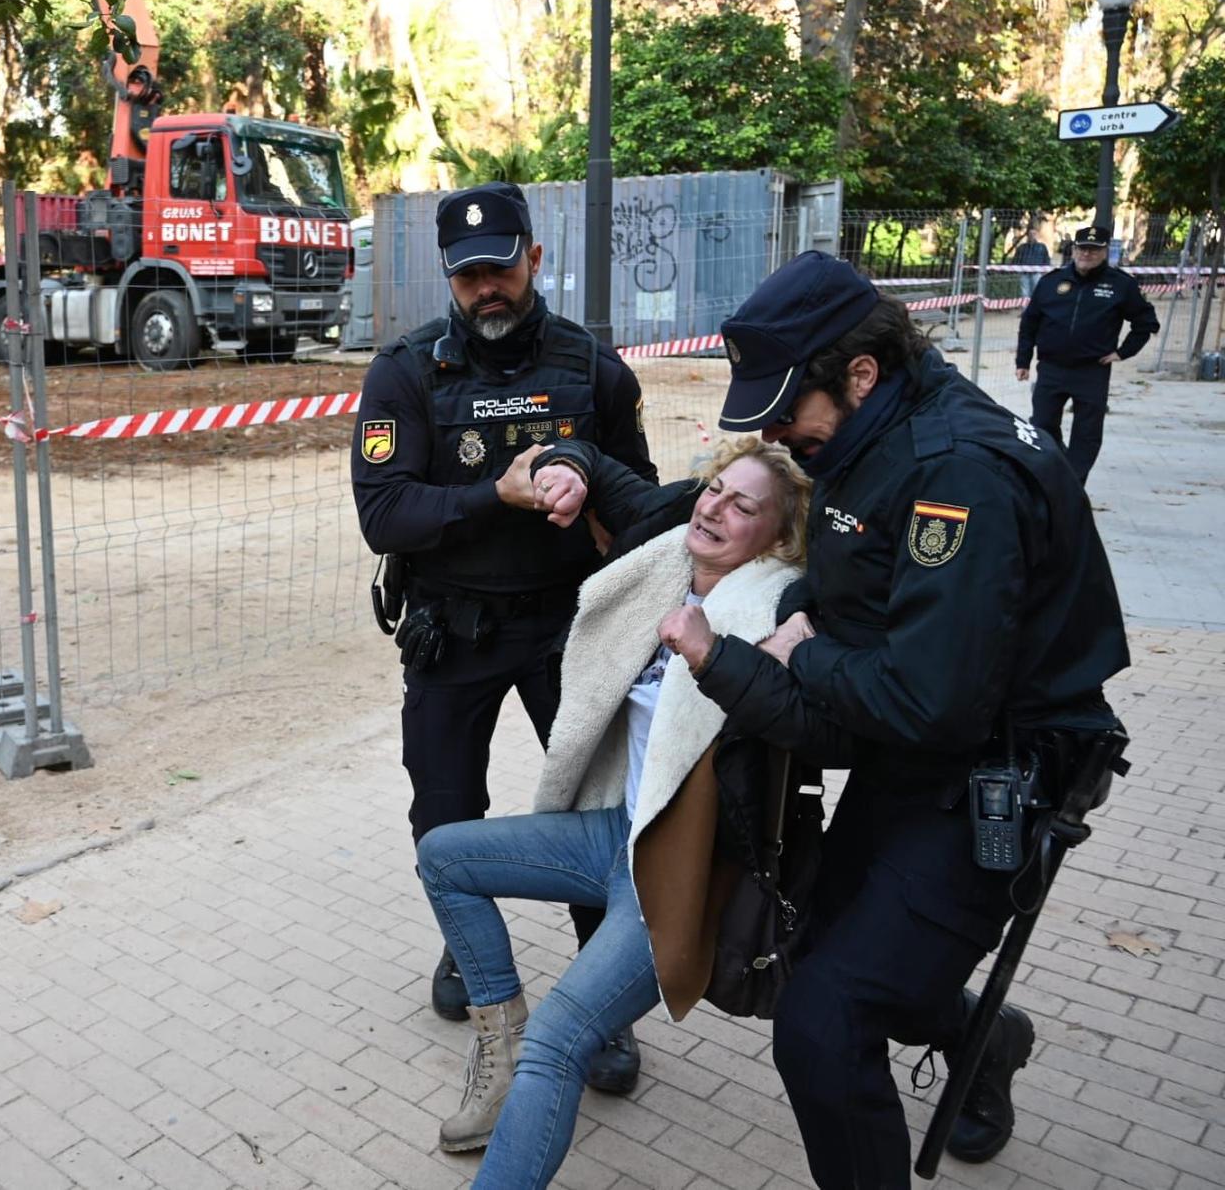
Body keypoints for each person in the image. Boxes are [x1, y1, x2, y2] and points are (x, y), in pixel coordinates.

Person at [533, 251, 1131, 1187]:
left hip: (988, 775)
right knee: (817, 946)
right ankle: (983, 1035)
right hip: (912, 759)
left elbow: (930, 699)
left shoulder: (957, 473)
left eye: (786, 403)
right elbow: (854, 609)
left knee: (824, 1020)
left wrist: (803, 651)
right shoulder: (866, 435)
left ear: (860, 372)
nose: (773, 426)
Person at [418, 438, 813, 1181]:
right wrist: (563, 466)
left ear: (781, 536)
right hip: (611, 832)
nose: (716, 508)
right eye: (715, 489)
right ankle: (498, 1041)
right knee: (444, 856)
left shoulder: (782, 612)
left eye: (743, 505)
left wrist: (797, 637)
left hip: (676, 867)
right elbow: (598, 465)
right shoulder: (661, 564)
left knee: (561, 1042)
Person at [351, 180, 657, 1092]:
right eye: (468, 275)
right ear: (450, 278)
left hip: (572, 628)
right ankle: (472, 956)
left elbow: (639, 503)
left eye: (501, 268)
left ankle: (601, 1009)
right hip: (452, 631)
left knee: (595, 817)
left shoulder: (594, 371)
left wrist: (585, 478)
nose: (488, 289)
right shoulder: (406, 371)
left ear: (534, 257)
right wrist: (500, 494)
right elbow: (385, 513)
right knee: (444, 809)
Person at [1015, 224, 1159, 484]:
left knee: (1087, 432)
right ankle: (1056, 470)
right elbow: (1029, 323)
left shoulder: (1120, 285)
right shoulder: (1051, 282)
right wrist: (1022, 361)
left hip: (1092, 370)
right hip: (1051, 368)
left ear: (1105, 251)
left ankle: (1073, 484)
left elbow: (1146, 323)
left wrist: (1122, 353)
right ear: (1073, 250)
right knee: (1042, 426)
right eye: (1082, 248)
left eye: (1094, 250)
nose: (1087, 254)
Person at [1009, 221, 1049, 301]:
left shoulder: (1042, 247)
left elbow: (1046, 260)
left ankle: (1035, 311)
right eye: (1030, 234)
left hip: (1037, 273)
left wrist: (1045, 271)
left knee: (1036, 293)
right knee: (1025, 294)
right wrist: (1016, 269)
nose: (1032, 236)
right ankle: (1026, 311)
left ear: (1036, 235)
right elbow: (1017, 259)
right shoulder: (1022, 247)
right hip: (1024, 273)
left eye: (1034, 234)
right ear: (1027, 235)